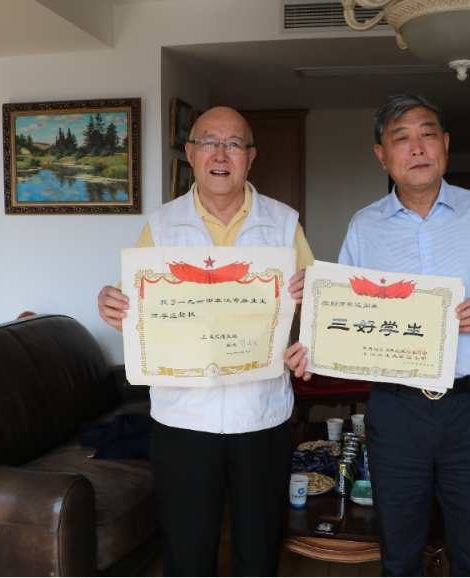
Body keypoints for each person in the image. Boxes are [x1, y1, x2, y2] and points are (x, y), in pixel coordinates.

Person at [285, 93, 470, 576]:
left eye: (427, 134)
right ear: (382, 155)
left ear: (446, 144)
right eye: (401, 138)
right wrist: (311, 348)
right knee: (399, 552)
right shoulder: (366, 225)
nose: (417, 147)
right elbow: (344, 308)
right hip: (396, 409)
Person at [98, 107, 314, 577]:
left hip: (262, 415)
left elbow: (316, 307)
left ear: (250, 157)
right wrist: (111, 303)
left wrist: (309, 341)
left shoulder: (283, 223)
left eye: (233, 144)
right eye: (209, 142)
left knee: (259, 550)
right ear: (191, 153)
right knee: (187, 551)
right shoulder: (161, 225)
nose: (221, 154)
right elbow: (133, 306)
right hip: (183, 417)